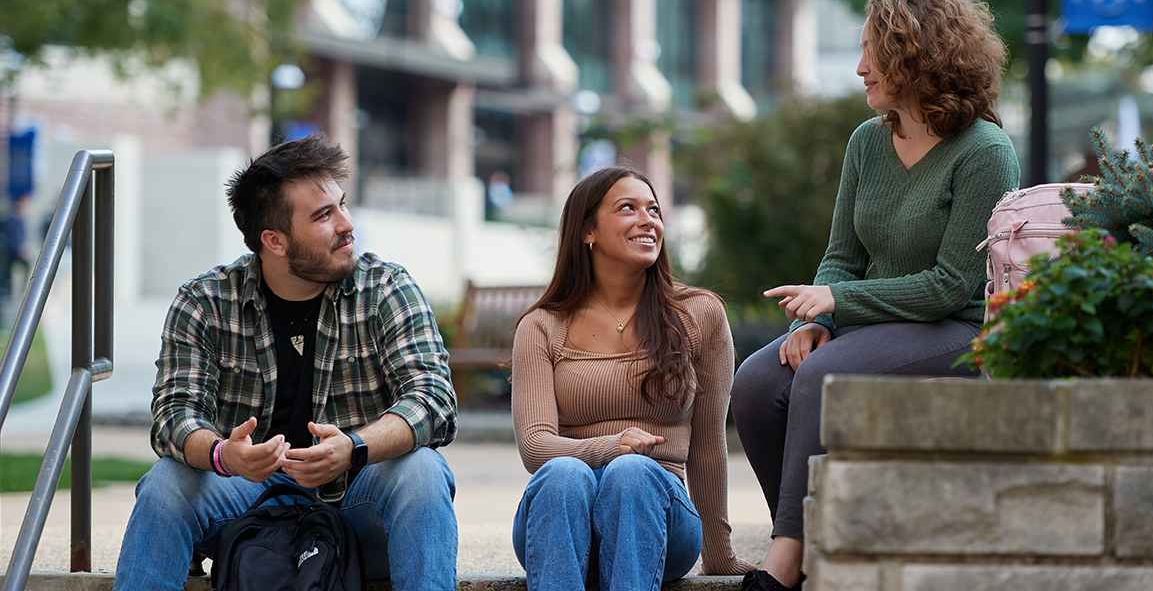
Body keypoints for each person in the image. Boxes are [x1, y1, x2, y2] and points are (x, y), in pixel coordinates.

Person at [730, 0, 1022, 591]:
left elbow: (950, 285)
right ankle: (815, 533)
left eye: (874, 53)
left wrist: (839, 304)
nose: (861, 68)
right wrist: (816, 321)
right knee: (757, 382)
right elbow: (842, 255)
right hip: (869, 326)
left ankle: (784, 565)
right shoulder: (866, 142)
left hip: (955, 330)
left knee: (819, 375)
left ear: (917, 56)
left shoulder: (985, 151)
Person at [114, 134, 459, 590]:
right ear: (274, 240)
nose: (347, 224)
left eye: (342, 204)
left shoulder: (385, 288)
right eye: (324, 215)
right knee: (165, 485)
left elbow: (433, 401)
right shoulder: (205, 301)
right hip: (244, 507)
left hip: (357, 508)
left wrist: (353, 448)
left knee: (423, 472)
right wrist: (224, 455)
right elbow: (172, 417)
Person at [510, 166, 755, 591]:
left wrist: (719, 556)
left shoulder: (698, 315)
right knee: (563, 474)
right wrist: (611, 445)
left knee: (632, 473)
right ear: (588, 231)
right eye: (628, 208)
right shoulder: (542, 326)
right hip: (563, 527)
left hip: (658, 517)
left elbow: (709, 445)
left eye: (654, 210)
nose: (649, 221)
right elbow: (535, 447)